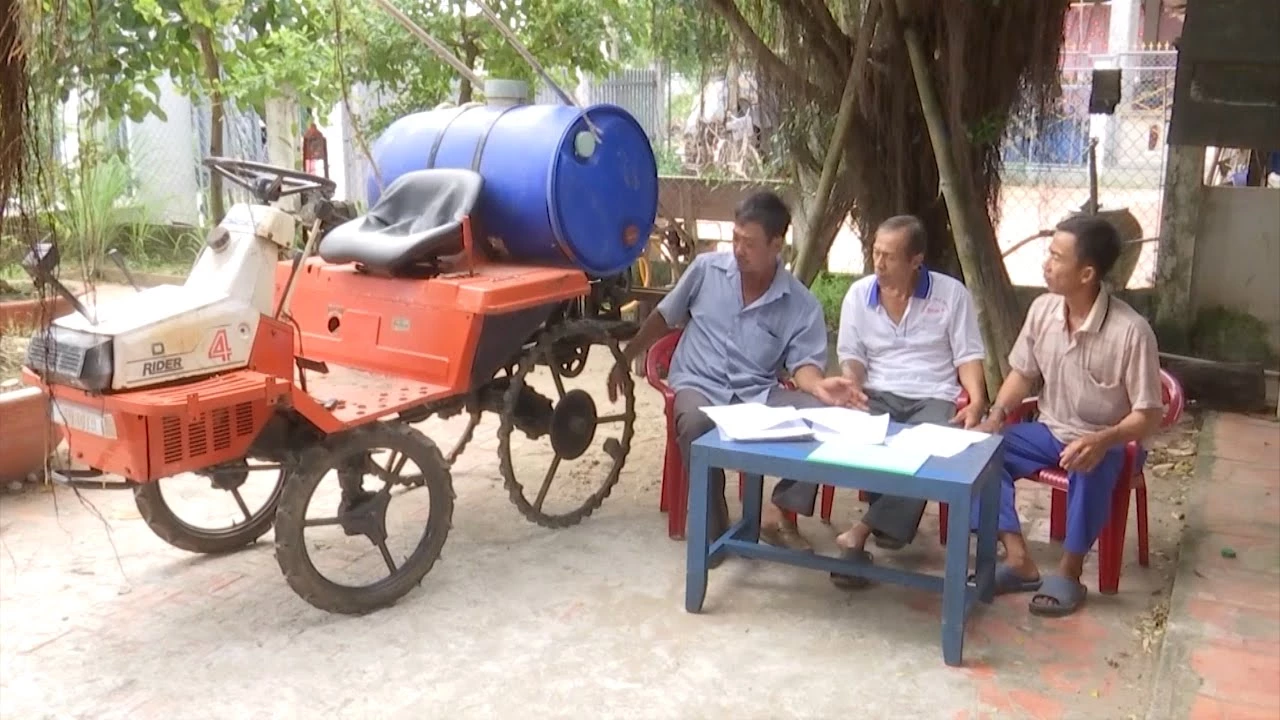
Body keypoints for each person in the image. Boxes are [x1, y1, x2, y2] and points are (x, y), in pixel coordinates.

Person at [607, 190, 857, 556]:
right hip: (698, 383)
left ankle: (778, 511)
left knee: (829, 420)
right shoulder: (707, 271)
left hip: (756, 393)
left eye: (750, 243)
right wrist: (625, 355)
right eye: (736, 239)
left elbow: (803, 366)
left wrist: (818, 386)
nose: (739, 249)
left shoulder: (800, 304)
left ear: (777, 245)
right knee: (693, 423)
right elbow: (665, 315)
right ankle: (714, 529)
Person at [971, 214, 1164, 617]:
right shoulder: (1043, 310)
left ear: (1087, 273)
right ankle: (1019, 559)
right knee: (980, 453)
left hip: (1111, 441)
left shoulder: (1132, 331)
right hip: (1049, 431)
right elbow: (1023, 373)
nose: (1047, 264)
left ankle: (1069, 572)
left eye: (1057, 257)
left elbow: (1147, 415)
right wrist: (997, 414)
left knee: (1093, 461)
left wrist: (1103, 439)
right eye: (1049, 254)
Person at [826, 215, 988, 590]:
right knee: (839, 436)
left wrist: (977, 400)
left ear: (916, 260)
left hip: (933, 394)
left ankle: (860, 533)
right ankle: (888, 526)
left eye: (889, 257)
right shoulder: (859, 295)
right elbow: (852, 355)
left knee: (925, 452)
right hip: (878, 390)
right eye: (875, 253)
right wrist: (851, 385)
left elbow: (967, 355)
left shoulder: (950, 295)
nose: (878, 264)